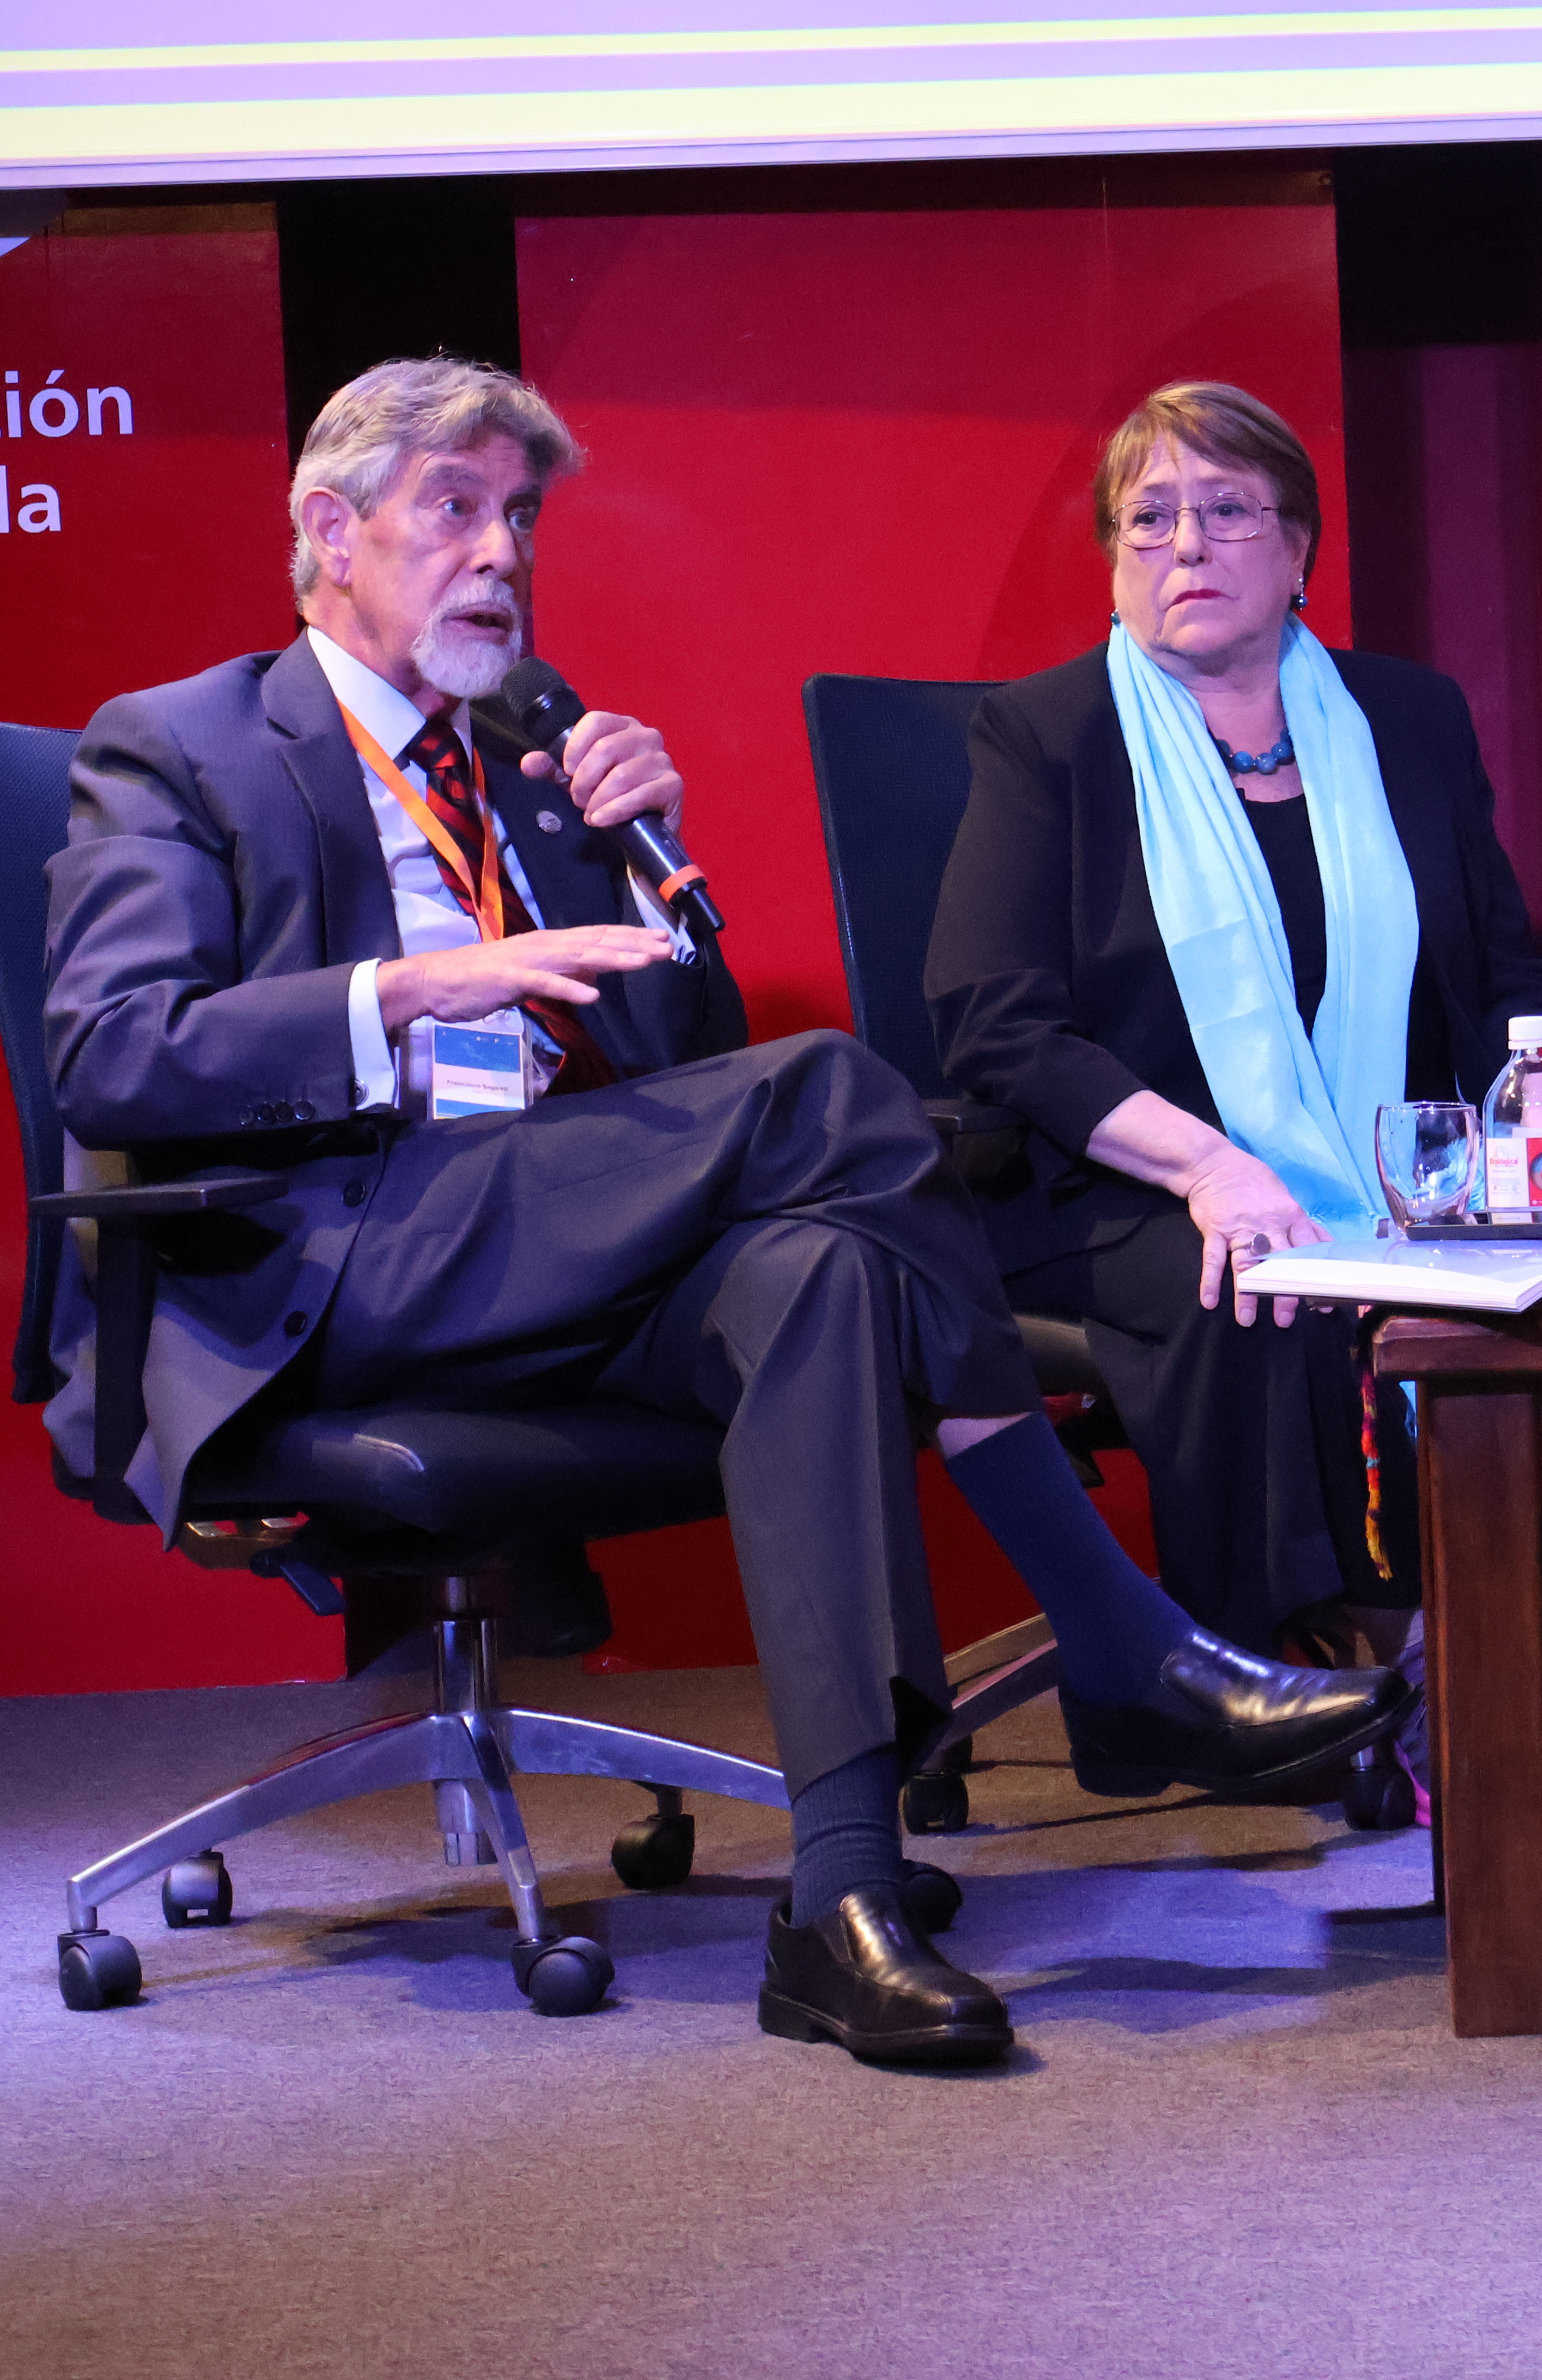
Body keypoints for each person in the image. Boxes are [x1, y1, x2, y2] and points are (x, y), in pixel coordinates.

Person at [42, 358, 1402, 2065]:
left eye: (519, 516)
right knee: (835, 1086)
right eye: (455, 510)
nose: (501, 554)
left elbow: (670, 1069)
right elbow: (110, 1054)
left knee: (821, 1269)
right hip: (334, 1253)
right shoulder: (183, 745)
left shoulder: (531, 754)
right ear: (331, 530)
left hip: (552, 1239)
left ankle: (840, 1899)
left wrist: (649, 872)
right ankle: (1121, 1626)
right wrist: (407, 987)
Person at [925, 381, 1542, 1792]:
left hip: (1404, 1159)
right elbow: (994, 1023)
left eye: (1225, 514)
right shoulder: (1052, 733)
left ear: (1300, 551)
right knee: (1269, 1284)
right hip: (1117, 1179)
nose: (1184, 546)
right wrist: (1208, 1165)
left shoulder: (1405, 715)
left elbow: (1506, 964)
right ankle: (1364, 1682)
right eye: (1147, 520)